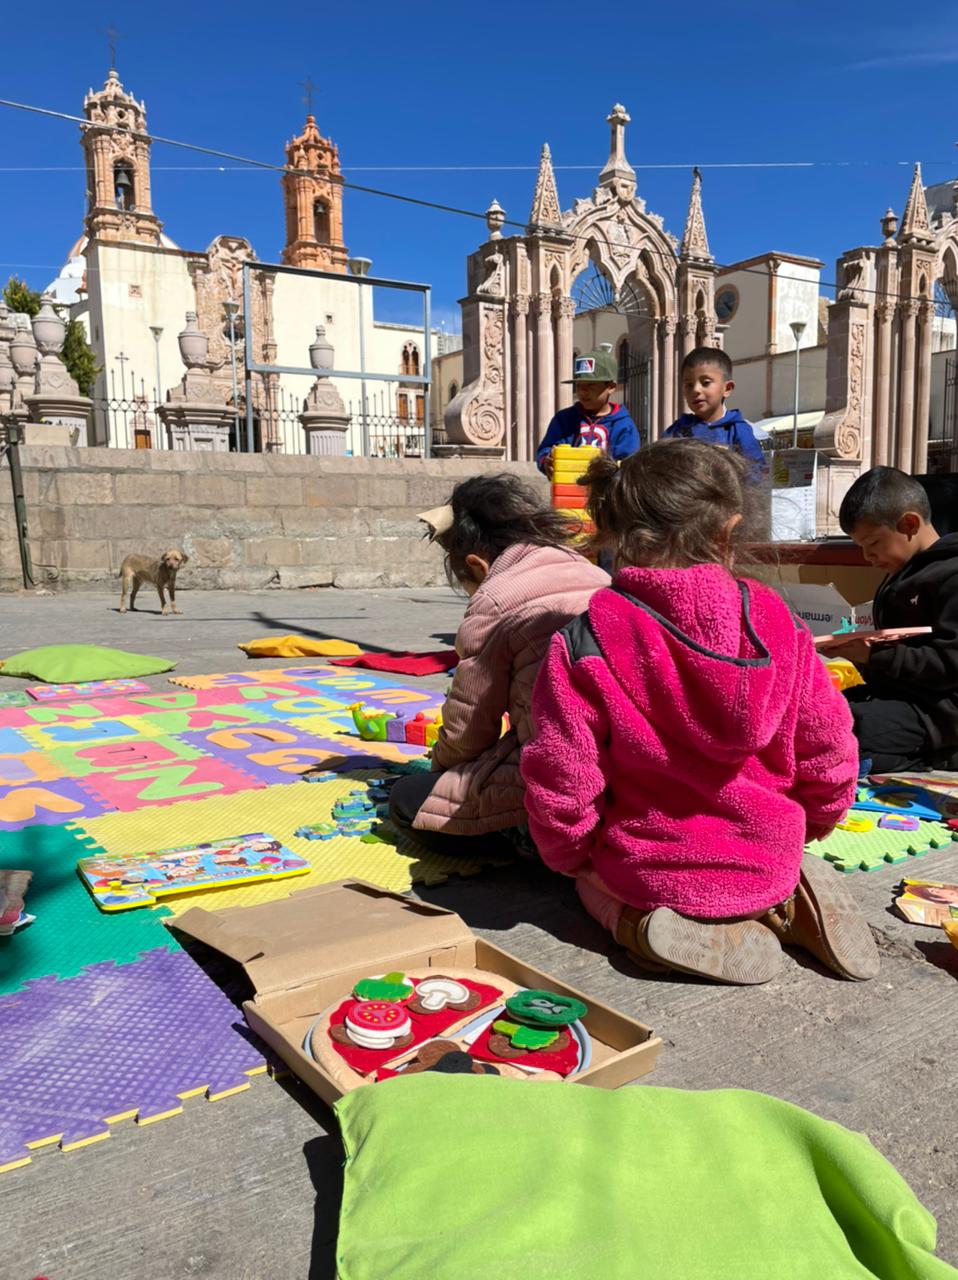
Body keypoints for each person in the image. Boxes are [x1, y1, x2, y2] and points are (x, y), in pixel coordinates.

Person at [520, 438, 878, 984]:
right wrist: (817, 820)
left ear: (614, 533)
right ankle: (783, 904)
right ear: (729, 532)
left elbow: (562, 774)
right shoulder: (781, 623)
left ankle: (637, 927)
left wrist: (572, 855)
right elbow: (829, 745)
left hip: (651, 871)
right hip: (770, 852)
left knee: (586, 884)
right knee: (772, 867)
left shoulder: (586, 638)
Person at [388, 473, 608, 857]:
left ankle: (529, 844)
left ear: (477, 565)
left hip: (560, 778)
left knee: (406, 802)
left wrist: (441, 767)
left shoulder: (495, 599)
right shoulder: (592, 571)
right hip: (624, 772)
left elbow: (468, 725)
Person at [836, 465, 958, 773]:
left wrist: (875, 654)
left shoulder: (951, 575)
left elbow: (950, 663)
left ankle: (940, 753)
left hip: (935, 712)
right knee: (820, 710)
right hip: (895, 697)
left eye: (873, 543)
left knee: (842, 732)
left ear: (909, 524)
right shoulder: (901, 575)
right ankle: (915, 756)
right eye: (861, 547)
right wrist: (860, 653)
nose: (868, 557)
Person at [664, 346, 768, 481]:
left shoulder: (737, 430)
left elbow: (756, 471)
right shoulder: (679, 430)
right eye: (689, 385)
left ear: (727, 388)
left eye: (705, 383)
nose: (696, 390)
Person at [535, 348, 640, 479]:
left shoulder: (624, 425)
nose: (583, 391)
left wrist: (609, 464)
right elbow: (545, 449)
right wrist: (546, 461)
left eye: (591, 385)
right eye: (579, 385)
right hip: (567, 493)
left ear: (611, 387)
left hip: (606, 496)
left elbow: (630, 465)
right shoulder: (564, 419)